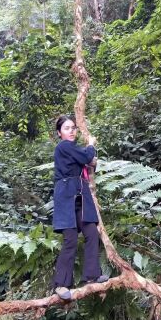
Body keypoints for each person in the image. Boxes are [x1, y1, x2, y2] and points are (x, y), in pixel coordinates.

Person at [52, 115, 108, 300]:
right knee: (70, 240)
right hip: (67, 196)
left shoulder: (71, 148)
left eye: (73, 128)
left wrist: (88, 157)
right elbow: (86, 156)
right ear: (60, 133)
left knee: (91, 233)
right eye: (67, 128)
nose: (72, 131)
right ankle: (61, 285)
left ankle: (92, 276)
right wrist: (91, 144)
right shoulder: (64, 146)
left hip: (80, 195)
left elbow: (87, 162)